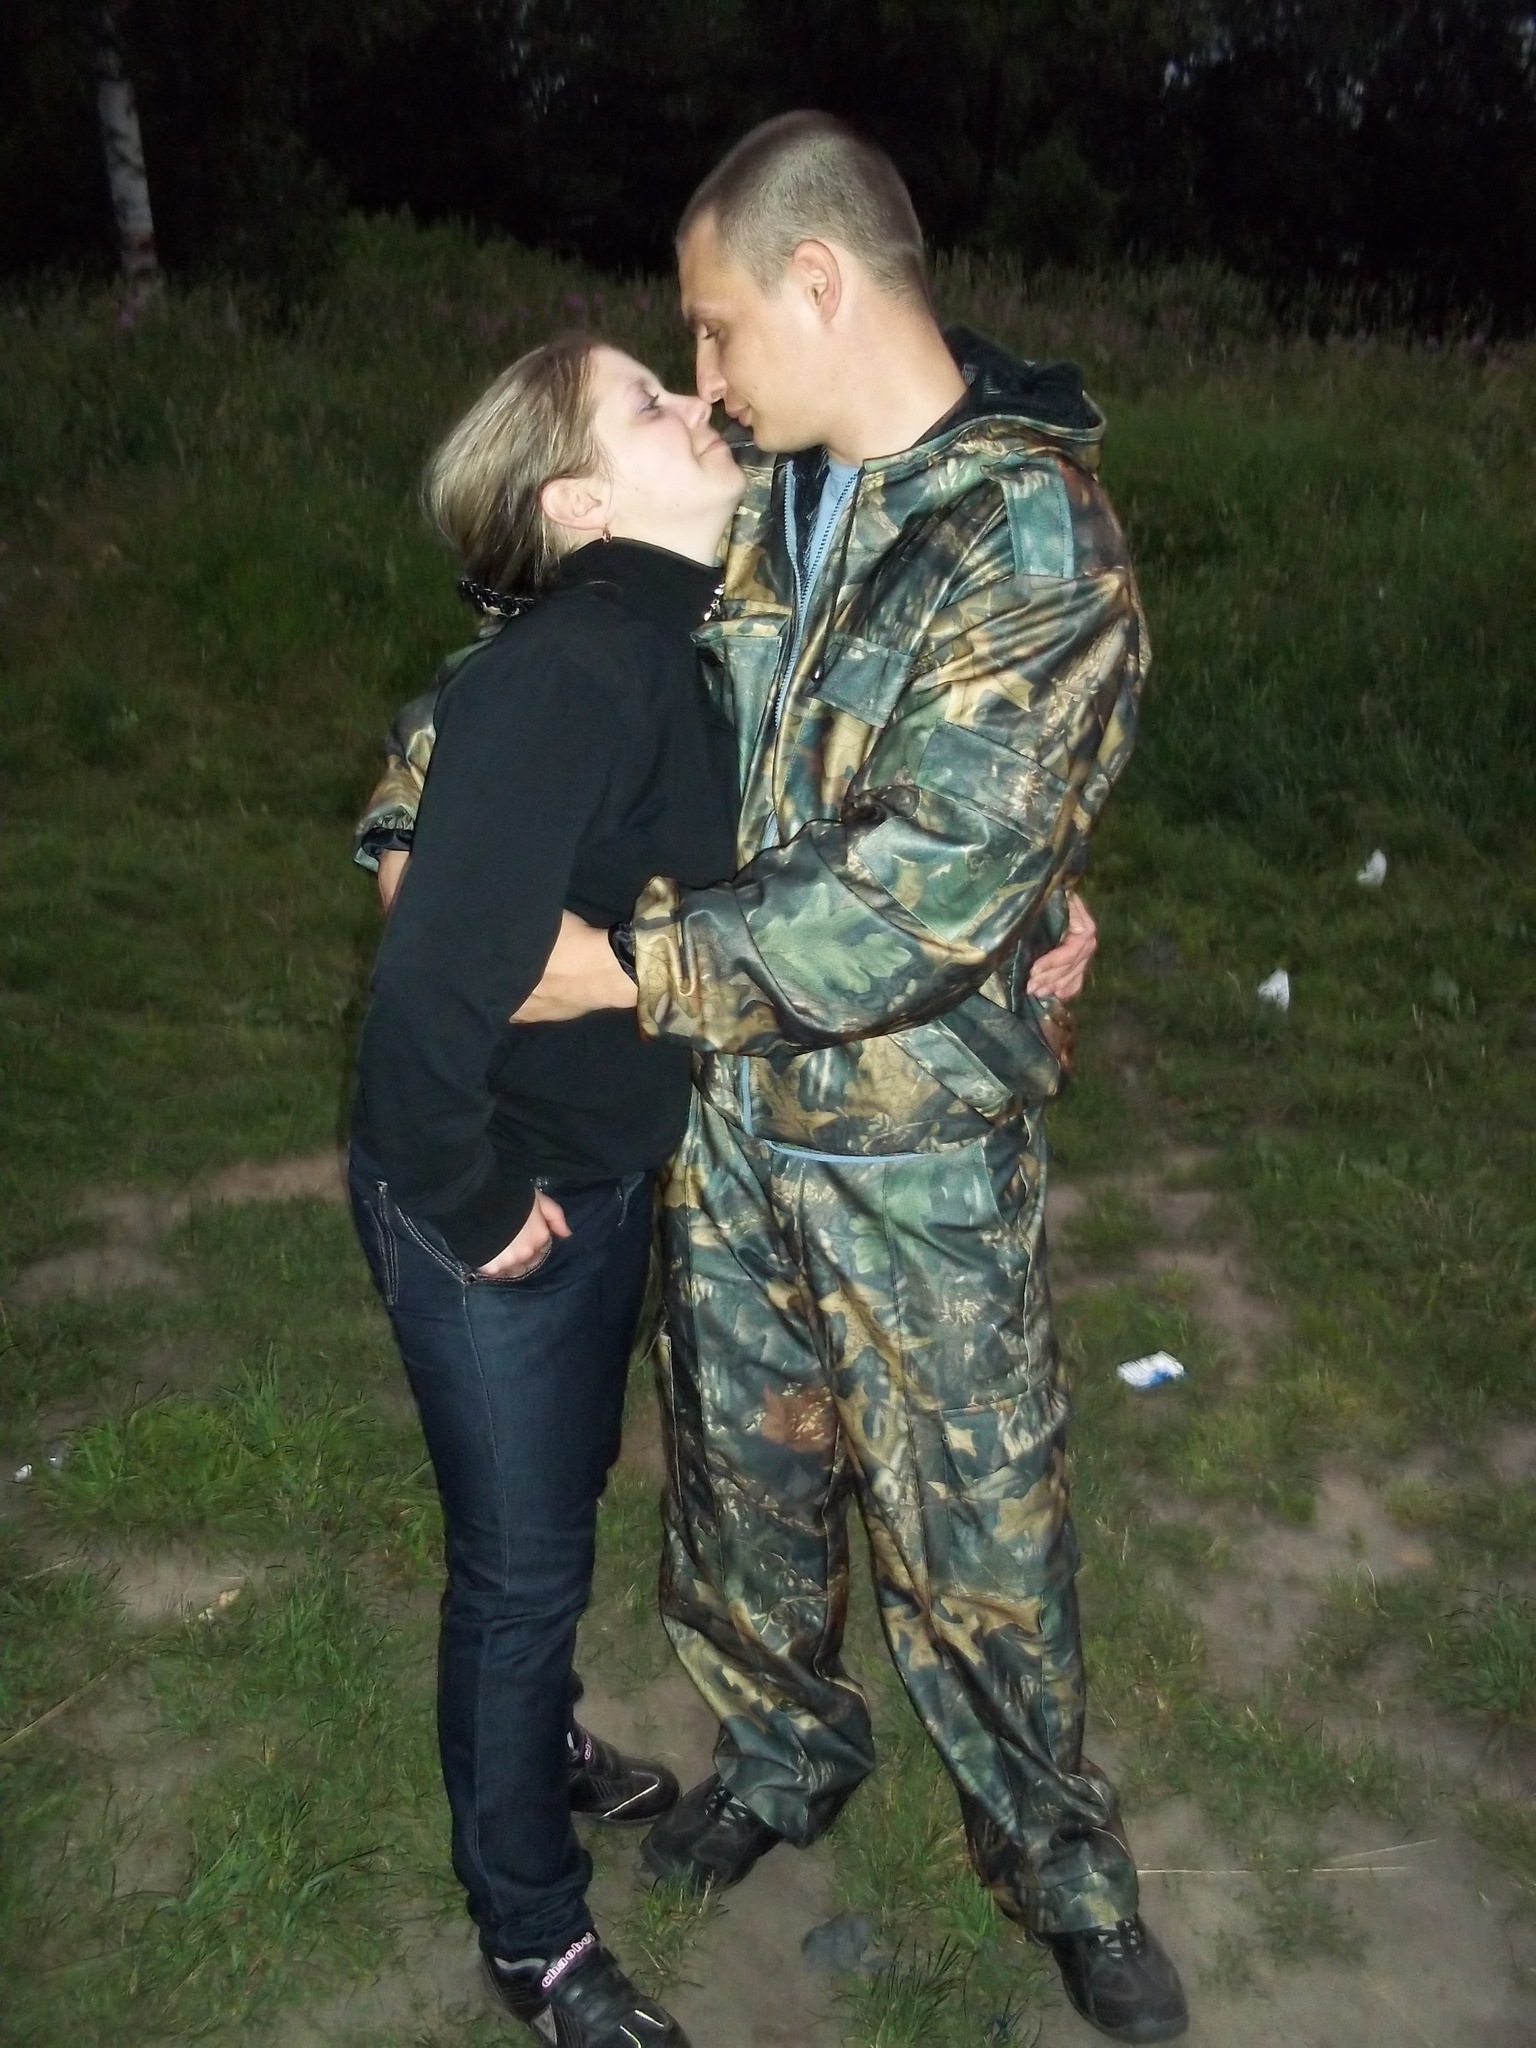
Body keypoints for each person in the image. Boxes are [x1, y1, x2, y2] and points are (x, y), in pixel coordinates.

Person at [363, 112, 1185, 2044]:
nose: (706, 375)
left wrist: (623, 967)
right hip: (719, 1133)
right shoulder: (750, 500)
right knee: (743, 1488)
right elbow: (530, 668)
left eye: (717, 328)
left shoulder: (1027, 534)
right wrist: (410, 829)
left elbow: (922, 886)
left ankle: (1061, 1865)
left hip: (916, 1146)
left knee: (977, 1526)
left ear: (820, 283)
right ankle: (785, 1754)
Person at [348, 334, 745, 2048]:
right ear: (577, 505)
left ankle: (541, 1743)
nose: (701, 403)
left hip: (602, 1179)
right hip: (501, 1201)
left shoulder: (670, 644)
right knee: (516, 1578)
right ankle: (533, 1933)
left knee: (560, 1505)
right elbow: (425, 1000)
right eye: (652, 402)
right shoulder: (577, 668)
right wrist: (472, 1200)